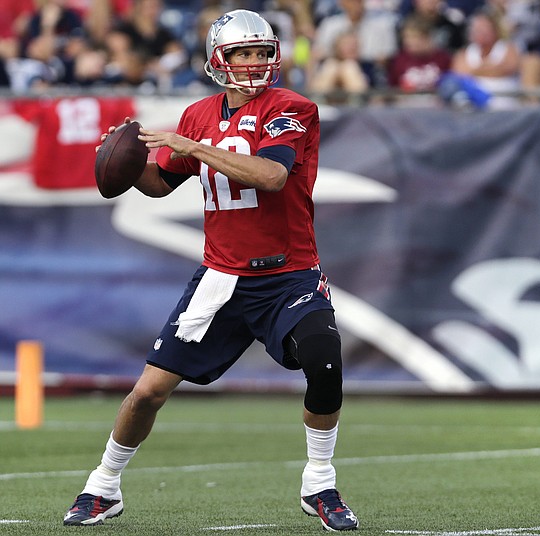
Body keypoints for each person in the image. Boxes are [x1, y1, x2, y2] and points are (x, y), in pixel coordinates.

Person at [62, 9, 359, 532]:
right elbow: (161, 183)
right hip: (220, 277)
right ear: (218, 60)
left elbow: (270, 175)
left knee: (325, 358)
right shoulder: (198, 115)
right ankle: (103, 485)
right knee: (149, 391)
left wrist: (195, 147)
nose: (255, 63)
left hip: (288, 273)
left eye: (263, 52)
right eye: (243, 53)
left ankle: (320, 481)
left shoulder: (293, 107)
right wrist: (126, 164)